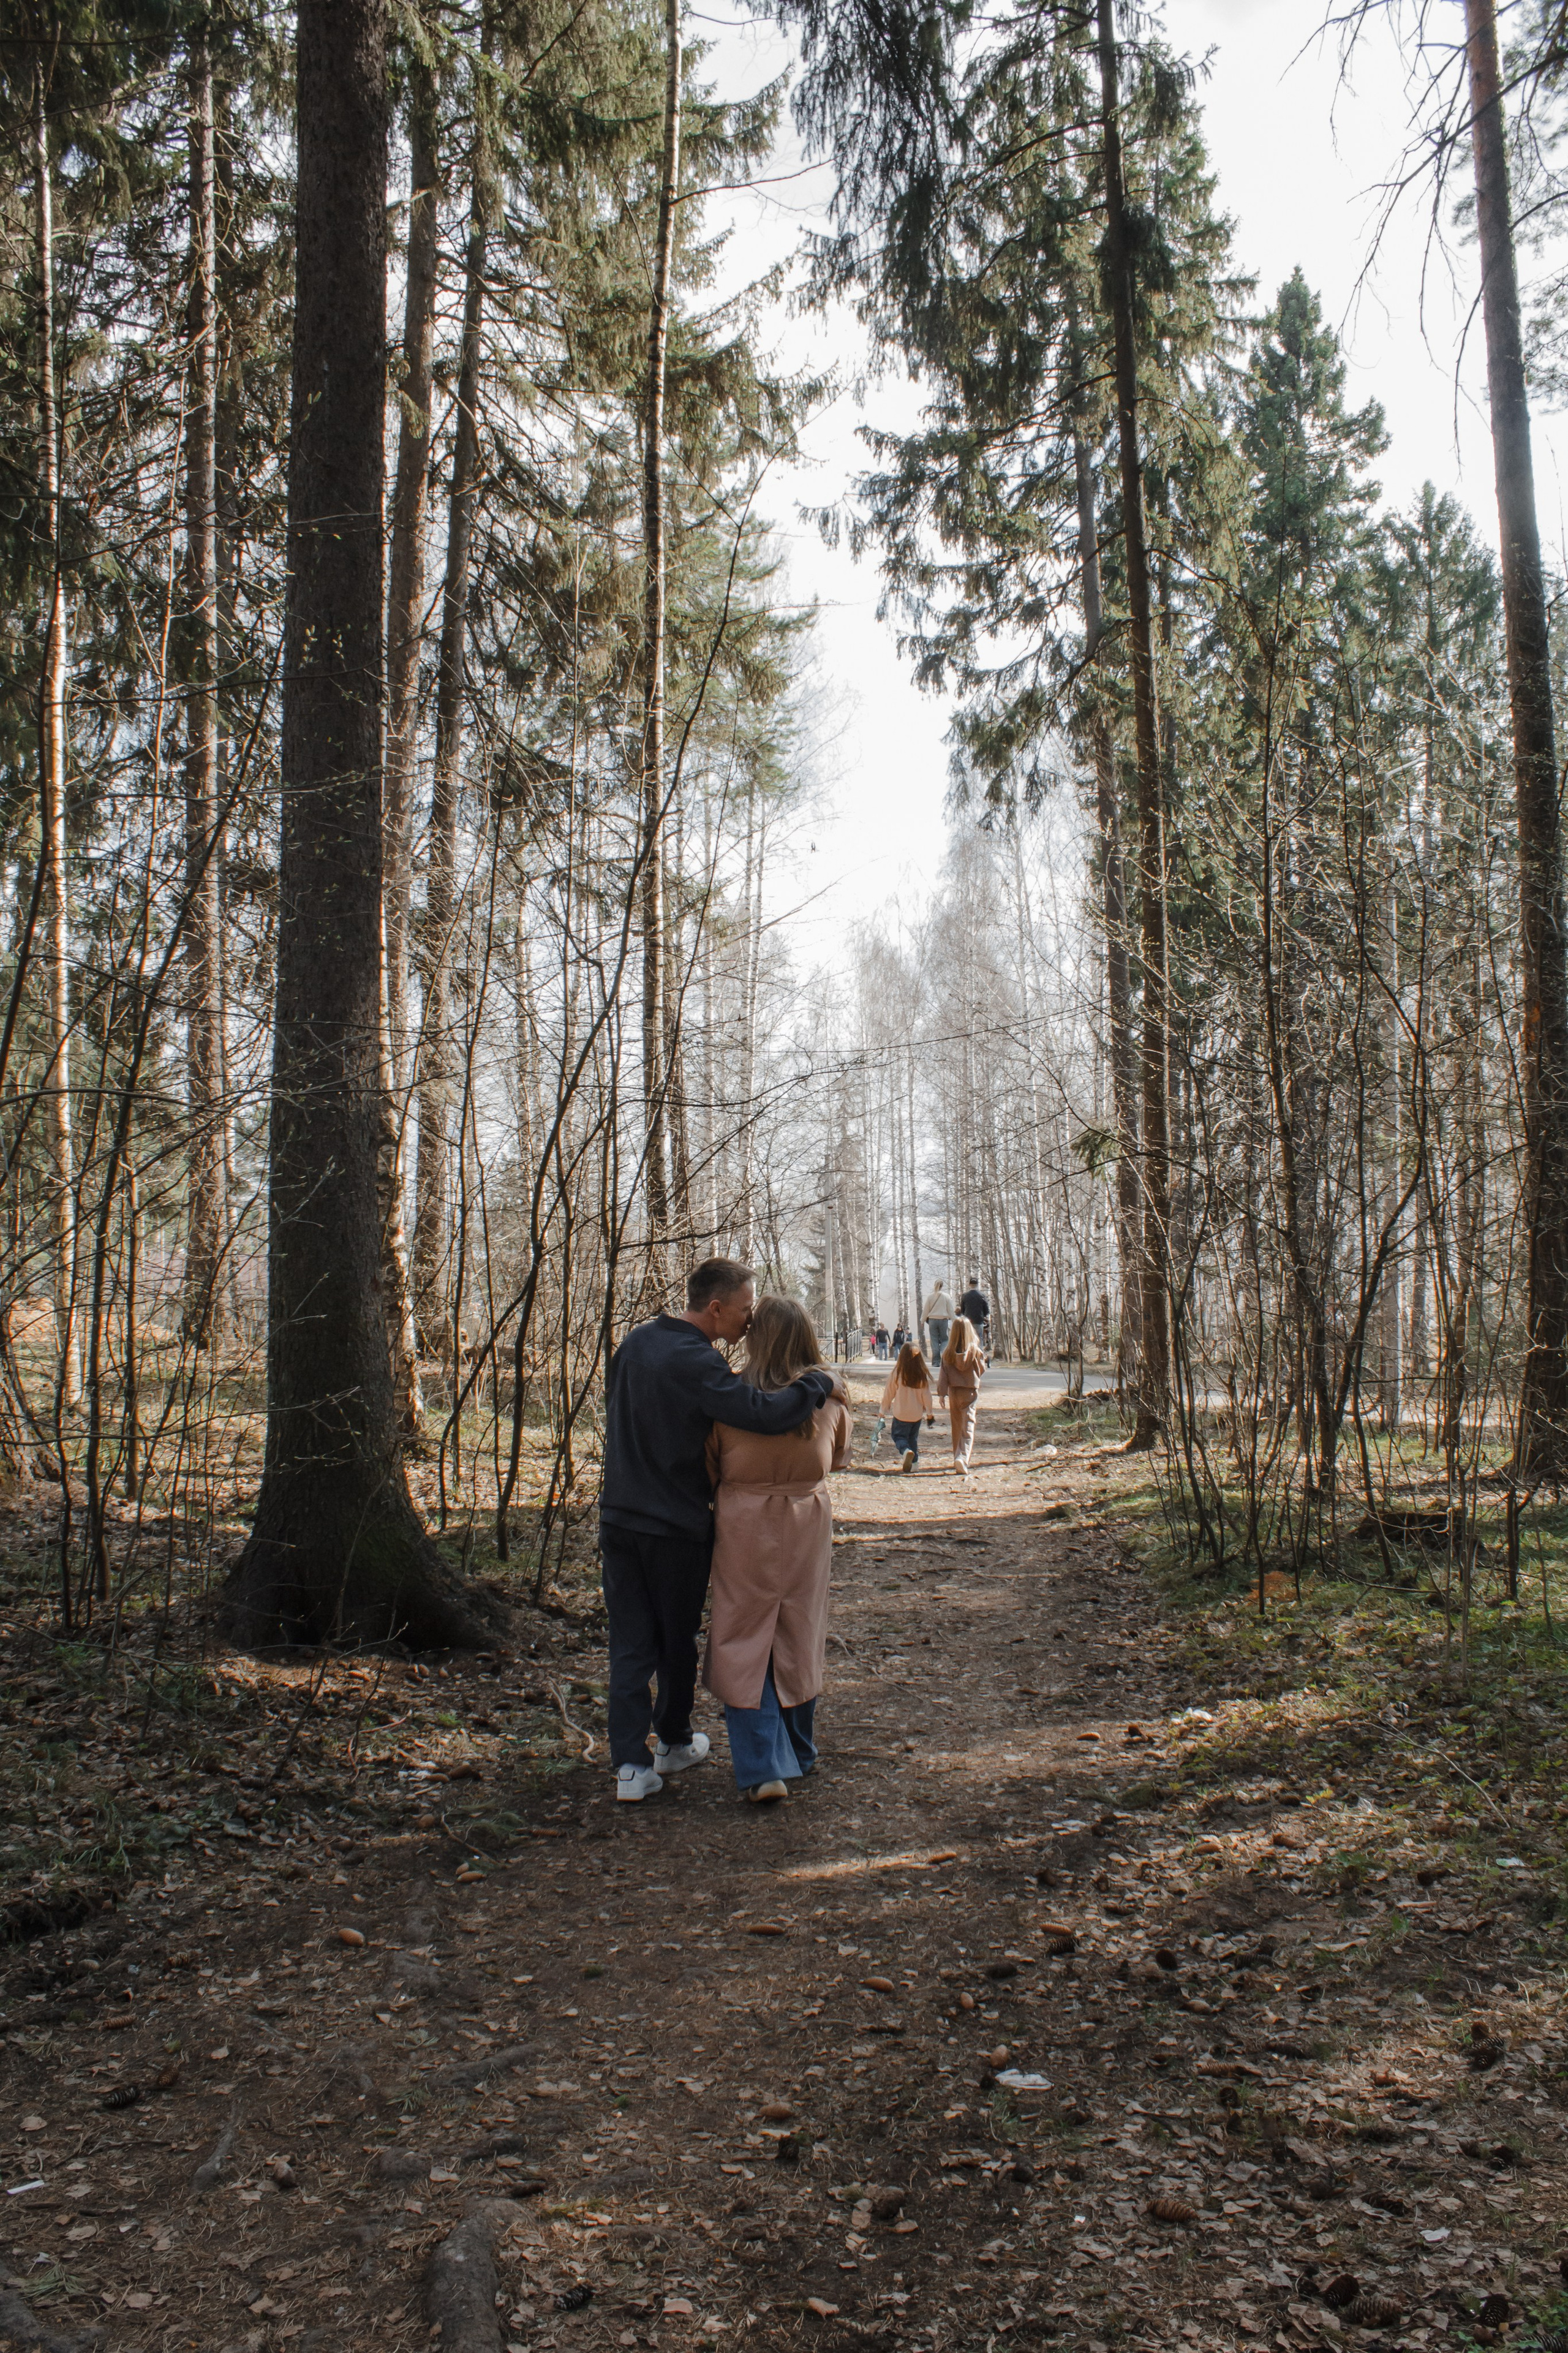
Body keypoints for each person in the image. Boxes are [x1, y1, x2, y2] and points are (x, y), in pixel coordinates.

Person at [600, 1258, 843, 1802]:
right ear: (716, 1308)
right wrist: (818, 1382)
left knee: (631, 1642)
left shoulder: (635, 1344)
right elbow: (763, 1413)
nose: (749, 1319)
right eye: (744, 1309)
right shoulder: (699, 1362)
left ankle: (630, 1767)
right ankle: (673, 1741)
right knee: (675, 1639)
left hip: (618, 1515)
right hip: (675, 1524)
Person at [703, 1297, 853, 1802]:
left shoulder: (731, 1399)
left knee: (743, 1635)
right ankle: (800, 1749)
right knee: (799, 1630)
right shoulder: (831, 1399)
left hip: (743, 1525)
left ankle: (764, 1765)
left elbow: (708, 1464)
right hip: (806, 1521)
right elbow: (840, 1457)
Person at [937, 1314, 986, 1474]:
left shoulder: (948, 1353)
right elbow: (981, 1370)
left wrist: (942, 1394)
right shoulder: (975, 1352)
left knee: (957, 1426)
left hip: (954, 1393)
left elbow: (943, 1375)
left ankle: (957, 1456)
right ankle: (962, 1457)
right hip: (970, 1392)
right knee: (968, 1425)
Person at [880, 1340, 935, 1471]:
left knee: (898, 1436)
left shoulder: (897, 1373)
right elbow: (927, 1397)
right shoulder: (921, 1376)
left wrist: (883, 1410)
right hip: (916, 1416)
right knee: (912, 1439)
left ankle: (905, 1451)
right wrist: (930, 1414)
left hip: (901, 1414)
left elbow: (889, 1393)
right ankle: (914, 1464)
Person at [958, 1276, 992, 1354]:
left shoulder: (965, 1295)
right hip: (979, 1320)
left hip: (968, 1321)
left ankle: (968, 1355)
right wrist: (983, 1316)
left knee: (968, 1339)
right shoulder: (982, 1295)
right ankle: (979, 1356)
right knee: (979, 1338)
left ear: (969, 1285)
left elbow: (962, 1310)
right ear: (977, 1285)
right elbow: (986, 1310)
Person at [923, 1281, 954, 1362]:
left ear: (935, 1285)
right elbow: (951, 1310)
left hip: (932, 1321)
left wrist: (922, 1321)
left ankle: (936, 1361)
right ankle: (943, 1353)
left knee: (934, 1340)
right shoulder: (947, 1296)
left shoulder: (930, 1297)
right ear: (942, 1286)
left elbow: (926, 1310)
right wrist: (954, 1321)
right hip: (944, 1320)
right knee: (945, 1339)